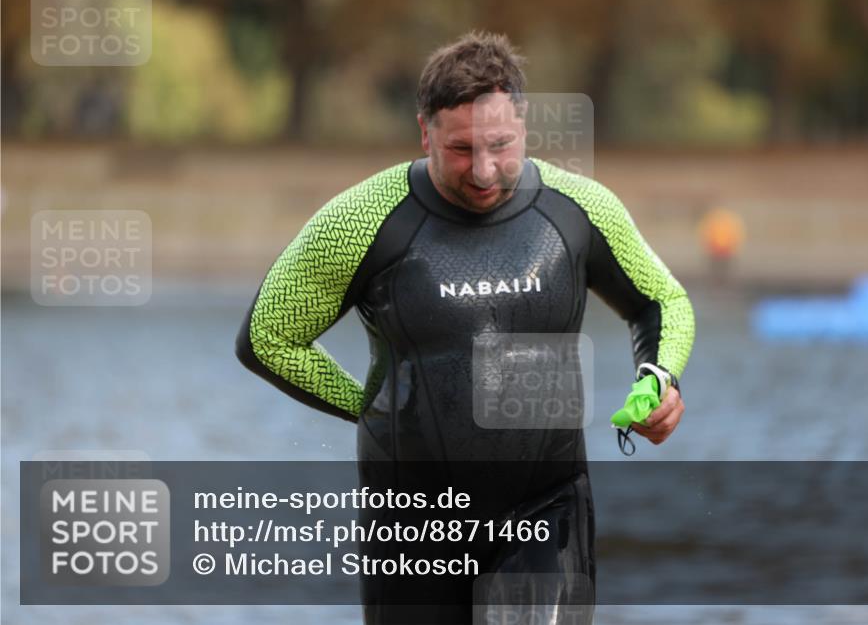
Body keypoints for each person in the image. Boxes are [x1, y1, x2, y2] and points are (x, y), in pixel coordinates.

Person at [236, 31, 695, 624]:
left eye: (499, 145)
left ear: (523, 123)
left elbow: (661, 300)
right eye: (459, 150)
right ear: (424, 130)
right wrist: (372, 408)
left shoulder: (579, 210)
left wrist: (659, 380)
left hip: (545, 511)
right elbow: (269, 335)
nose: (483, 171)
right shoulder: (363, 219)